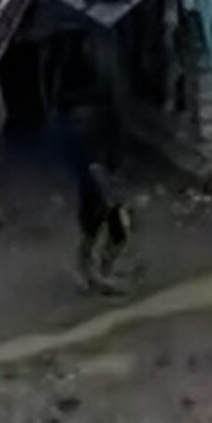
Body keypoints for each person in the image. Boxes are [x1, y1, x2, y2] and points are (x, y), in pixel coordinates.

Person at [70, 118, 131, 294]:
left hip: (103, 191)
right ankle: (88, 272)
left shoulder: (107, 147)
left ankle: (103, 269)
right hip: (95, 192)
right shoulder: (94, 154)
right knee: (93, 233)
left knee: (116, 234)